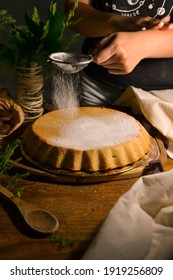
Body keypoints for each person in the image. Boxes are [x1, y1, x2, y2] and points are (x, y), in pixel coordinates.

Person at [65, 0, 173, 106]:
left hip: (163, 97)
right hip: (96, 88)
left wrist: (144, 44)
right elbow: (74, 7)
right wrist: (122, 23)